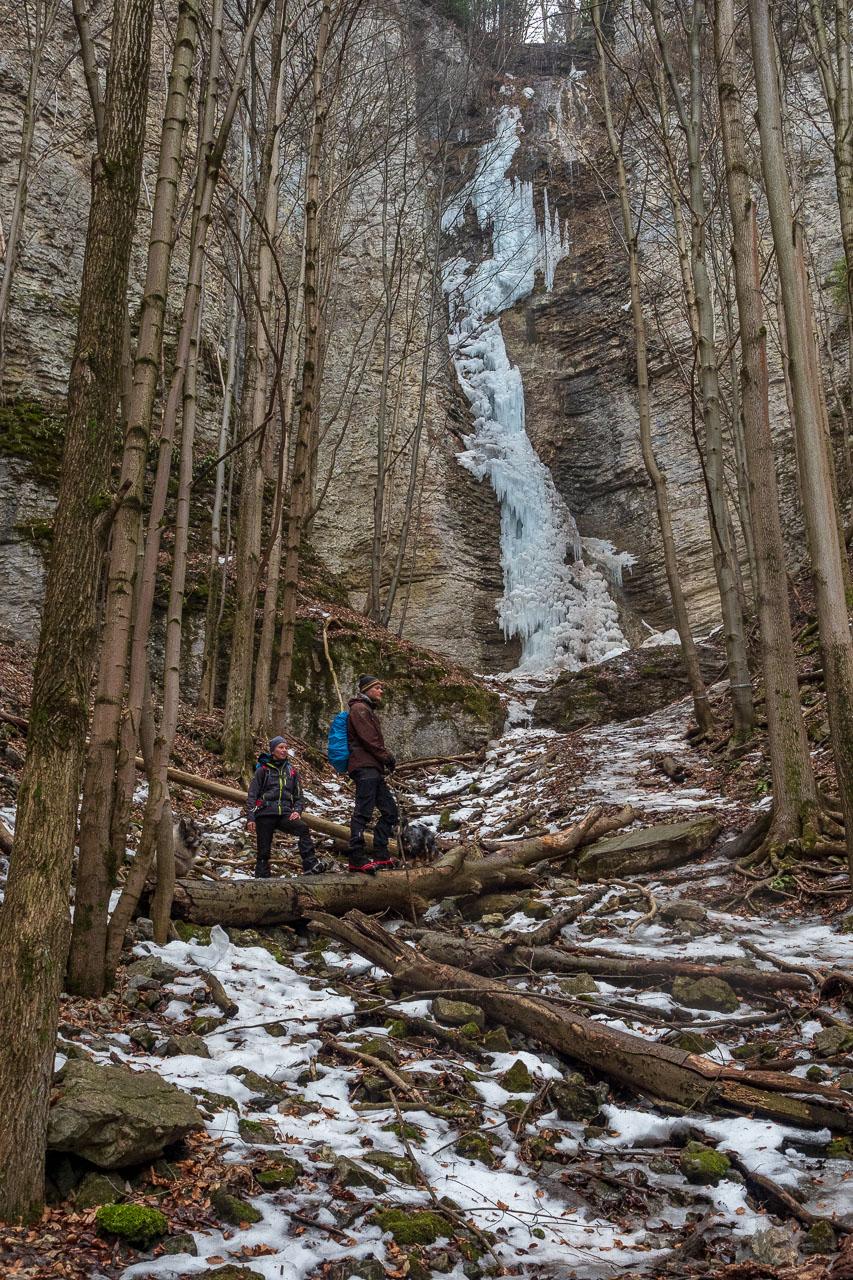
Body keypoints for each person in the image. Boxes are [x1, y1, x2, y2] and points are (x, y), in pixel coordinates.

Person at [246, 736, 328, 877]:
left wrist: (297, 811)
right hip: (265, 813)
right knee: (263, 850)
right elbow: (252, 795)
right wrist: (250, 818)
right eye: (280, 747)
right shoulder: (263, 770)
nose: (284, 750)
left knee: (302, 828)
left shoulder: (291, 771)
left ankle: (310, 866)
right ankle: (261, 879)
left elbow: (298, 795)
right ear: (273, 750)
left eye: (285, 747)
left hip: (284, 813)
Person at [346, 674, 398, 873]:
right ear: (366, 690)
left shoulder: (366, 709)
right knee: (362, 813)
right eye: (377, 687)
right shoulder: (359, 709)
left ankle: (381, 855)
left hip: (372, 768)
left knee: (390, 811)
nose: (381, 691)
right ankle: (356, 857)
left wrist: (383, 761)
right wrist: (387, 757)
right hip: (364, 767)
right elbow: (369, 740)